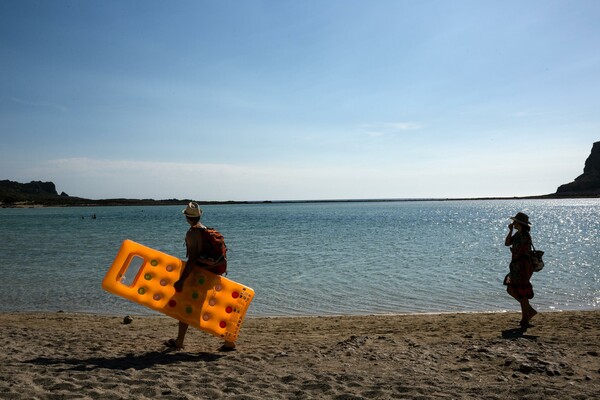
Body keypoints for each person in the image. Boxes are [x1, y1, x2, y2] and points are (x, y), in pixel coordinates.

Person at [163, 202, 236, 351]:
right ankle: (228, 342)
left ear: (187, 217)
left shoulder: (192, 233)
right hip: (214, 272)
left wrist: (182, 280)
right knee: (212, 306)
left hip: (200, 275)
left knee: (186, 307)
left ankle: (180, 342)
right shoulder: (207, 231)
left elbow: (192, 259)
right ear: (199, 215)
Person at [503, 212, 537, 328]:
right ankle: (529, 311)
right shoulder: (518, 234)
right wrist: (510, 231)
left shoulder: (525, 236)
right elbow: (507, 243)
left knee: (521, 292)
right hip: (516, 266)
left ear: (519, 223)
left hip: (523, 267)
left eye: (515, 222)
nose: (513, 223)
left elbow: (521, 252)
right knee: (511, 289)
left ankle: (525, 319)